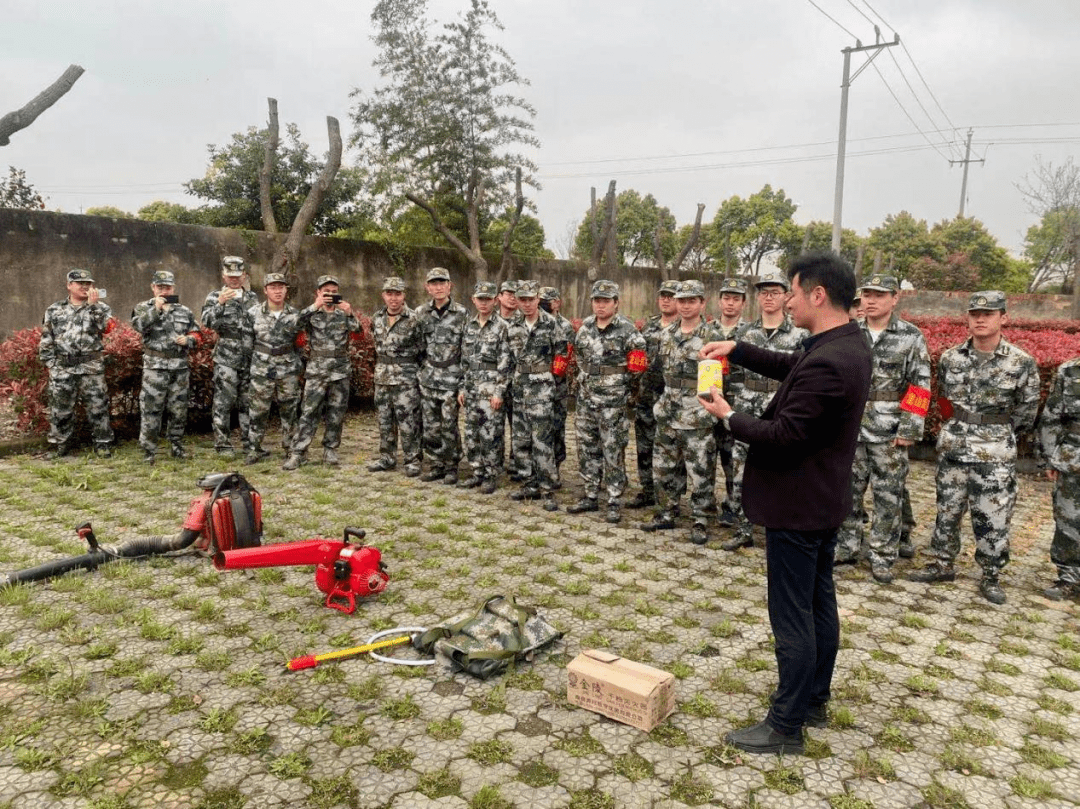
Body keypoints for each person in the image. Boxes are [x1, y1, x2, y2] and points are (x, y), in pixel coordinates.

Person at [699, 250, 872, 755]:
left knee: (792, 614)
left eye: (793, 293)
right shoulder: (844, 344)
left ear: (818, 294)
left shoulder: (832, 360)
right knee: (819, 604)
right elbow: (792, 365)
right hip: (821, 500)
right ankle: (814, 699)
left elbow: (784, 434)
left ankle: (785, 726)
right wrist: (740, 348)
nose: (788, 302)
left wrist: (729, 415)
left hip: (798, 504)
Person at [909, 291, 1040, 604]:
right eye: (975, 314)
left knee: (993, 515)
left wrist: (997, 431)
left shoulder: (1021, 362)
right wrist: (955, 427)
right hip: (954, 448)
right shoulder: (952, 358)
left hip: (995, 452)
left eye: (989, 313)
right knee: (947, 509)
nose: (981, 319)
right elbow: (942, 401)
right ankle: (942, 563)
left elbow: (1027, 411)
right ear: (967, 318)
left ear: (1003, 318)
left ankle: (991, 574)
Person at [833, 275, 931, 582]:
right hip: (850, 427)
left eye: (879, 294)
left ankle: (883, 555)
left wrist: (910, 428)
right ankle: (847, 547)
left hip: (889, 431)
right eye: (867, 294)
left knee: (888, 496)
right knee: (847, 492)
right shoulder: (849, 333)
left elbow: (920, 385)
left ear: (895, 298)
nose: (870, 300)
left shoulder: (911, 337)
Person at [721, 272, 808, 552]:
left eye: (775, 292)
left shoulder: (800, 335)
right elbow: (732, 374)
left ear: (786, 296)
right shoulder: (744, 333)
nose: (769, 298)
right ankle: (743, 528)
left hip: (781, 412)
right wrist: (731, 408)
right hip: (747, 410)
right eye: (763, 293)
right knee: (740, 471)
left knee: (782, 472)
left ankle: (779, 530)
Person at [640, 280, 721, 546]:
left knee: (700, 468)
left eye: (691, 301)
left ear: (702, 303)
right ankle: (666, 511)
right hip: (668, 410)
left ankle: (700, 519)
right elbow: (655, 373)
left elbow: (716, 381)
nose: (685, 305)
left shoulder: (712, 336)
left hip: (697, 412)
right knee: (664, 467)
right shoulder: (665, 334)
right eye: (681, 300)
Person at [567, 280, 647, 523]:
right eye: (596, 301)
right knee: (586, 447)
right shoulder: (585, 328)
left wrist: (624, 393)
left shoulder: (629, 331)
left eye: (605, 301)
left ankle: (613, 499)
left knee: (613, 450)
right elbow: (579, 358)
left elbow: (638, 368)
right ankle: (591, 494)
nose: (600, 305)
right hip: (586, 400)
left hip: (614, 403)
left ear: (616, 303)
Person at [283, 275, 362, 470]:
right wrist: (313, 306)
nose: (330, 295)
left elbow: (359, 334)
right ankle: (299, 452)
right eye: (326, 292)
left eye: (334, 292)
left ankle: (330, 450)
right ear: (318, 293)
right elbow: (292, 327)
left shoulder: (343, 314)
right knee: (309, 412)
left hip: (340, 370)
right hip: (317, 371)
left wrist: (350, 312)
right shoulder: (312, 314)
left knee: (336, 413)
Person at [505, 280, 569, 511]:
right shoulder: (512, 326)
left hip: (543, 389)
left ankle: (547, 488)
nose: (527, 304)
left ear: (537, 300)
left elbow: (562, 357)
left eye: (531, 300)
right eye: (522, 300)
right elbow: (507, 361)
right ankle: (528, 483)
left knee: (542, 441)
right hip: (519, 388)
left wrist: (553, 384)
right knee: (520, 440)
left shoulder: (551, 324)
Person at [39, 269, 116, 458]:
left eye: (88, 283)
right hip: (63, 366)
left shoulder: (101, 308)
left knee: (98, 407)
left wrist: (93, 306)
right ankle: (60, 445)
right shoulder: (54, 309)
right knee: (60, 409)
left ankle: (103, 444)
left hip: (91, 366)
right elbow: (47, 338)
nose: (85, 286)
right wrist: (51, 364)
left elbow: (107, 328)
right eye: (80, 283)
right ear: (69, 285)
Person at [130, 270, 201, 463]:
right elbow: (138, 326)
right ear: (153, 288)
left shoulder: (184, 311)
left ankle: (176, 445)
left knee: (178, 409)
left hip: (179, 368)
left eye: (167, 287)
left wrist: (188, 340)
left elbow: (197, 333)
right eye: (160, 287)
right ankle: (148, 450)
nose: (164, 290)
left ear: (173, 288)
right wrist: (157, 310)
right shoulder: (143, 307)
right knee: (151, 409)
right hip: (155, 368)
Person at [628, 280, 681, 510]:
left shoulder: (685, 328)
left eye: (671, 296)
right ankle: (647, 490)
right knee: (644, 445)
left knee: (673, 451)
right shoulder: (648, 328)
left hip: (673, 400)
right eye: (663, 296)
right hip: (647, 397)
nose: (666, 300)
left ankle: (672, 496)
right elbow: (637, 361)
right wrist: (634, 389)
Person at [416, 267, 469, 484]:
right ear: (427, 287)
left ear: (450, 286)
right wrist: (422, 372)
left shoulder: (461, 313)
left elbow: (466, 350)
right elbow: (418, 347)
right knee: (430, 426)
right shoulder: (421, 313)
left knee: (449, 425)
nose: (438, 287)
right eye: (433, 283)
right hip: (429, 379)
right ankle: (436, 464)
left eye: (442, 283)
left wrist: (463, 383)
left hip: (451, 379)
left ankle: (451, 466)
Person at [458, 281, 512, 494]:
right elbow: (464, 360)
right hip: (471, 388)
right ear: (474, 300)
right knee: (472, 433)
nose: (483, 303)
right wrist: (462, 387)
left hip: (491, 389)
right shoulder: (469, 326)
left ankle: (491, 474)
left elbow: (505, 363)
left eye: (488, 299)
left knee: (491, 434)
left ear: (495, 300)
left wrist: (499, 391)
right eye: (480, 299)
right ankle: (477, 471)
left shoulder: (502, 327)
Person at [201, 255, 257, 456]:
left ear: (244, 276)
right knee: (223, 403)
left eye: (238, 275)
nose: (234, 279)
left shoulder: (252, 298)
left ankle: (249, 444)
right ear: (223, 276)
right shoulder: (214, 296)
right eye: (230, 275)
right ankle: (223, 445)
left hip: (248, 358)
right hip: (226, 359)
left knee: (248, 403)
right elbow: (207, 322)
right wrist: (220, 304)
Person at [368, 276, 424, 477]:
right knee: (384, 421)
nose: (393, 298)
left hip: (405, 379)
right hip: (382, 378)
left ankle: (412, 460)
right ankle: (387, 458)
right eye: (389, 294)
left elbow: (422, 349)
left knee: (409, 421)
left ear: (404, 295)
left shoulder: (414, 319)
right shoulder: (377, 318)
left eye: (397, 294)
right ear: (383, 295)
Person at [245, 272, 303, 465]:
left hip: (287, 368)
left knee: (289, 409)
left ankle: (291, 448)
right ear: (265, 290)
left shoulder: (295, 315)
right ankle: (254, 448)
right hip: (262, 369)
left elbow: (300, 344)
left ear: (286, 290)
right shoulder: (253, 313)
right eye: (273, 287)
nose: (277, 291)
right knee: (258, 410)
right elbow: (247, 344)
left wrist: (295, 364)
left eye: (281, 287)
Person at [1037, 356, 1080, 601]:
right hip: (1073, 457)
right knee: (1068, 519)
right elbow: (1052, 416)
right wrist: (1049, 457)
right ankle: (1069, 578)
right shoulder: (1070, 370)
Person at [713, 277, 749, 526]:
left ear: (744, 303)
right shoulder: (707, 330)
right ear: (719, 301)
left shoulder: (749, 333)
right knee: (705, 455)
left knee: (733, 458)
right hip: (707, 403)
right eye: (726, 298)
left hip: (736, 405)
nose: (730, 303)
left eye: (736, 299)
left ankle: (733, 506)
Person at [540, 286, 575, 484]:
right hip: (536, 385)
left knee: (556, 428)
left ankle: (556, 466)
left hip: (557, 386)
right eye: (542, 300)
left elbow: (564, 357)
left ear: (557, 303)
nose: (544, 304)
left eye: (548, 301)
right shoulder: (536, 321)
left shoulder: (565, 326)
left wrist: (550, 377)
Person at [495, 280, 522, 479]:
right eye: (508, 293)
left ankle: (516, 461)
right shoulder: (490, 320)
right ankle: (494, 461)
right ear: (499, 297)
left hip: (518, 382)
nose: (512, 297)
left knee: (518, 424)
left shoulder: (525, 321)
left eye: (516, 293)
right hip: (494, 381)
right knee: (495, 423)